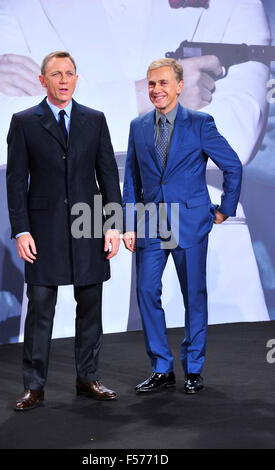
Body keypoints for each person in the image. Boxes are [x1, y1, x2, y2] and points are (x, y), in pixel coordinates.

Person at [0, 0, 269, 343]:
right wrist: (148, 98)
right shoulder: (20, 5)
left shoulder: (231, 3)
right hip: (74, 258)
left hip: (204, 263)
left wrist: (57, 100)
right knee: (71, 388)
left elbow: (236, 131)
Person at [6, 51, 122, 410]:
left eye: (69, 73)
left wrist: (113, 224)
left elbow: (108, 176)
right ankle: (34, 386)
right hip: (43, 230)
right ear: (43, 80)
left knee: (90, 307)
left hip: (88, 225)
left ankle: (88, 378)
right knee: (41, 310)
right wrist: (21, 230)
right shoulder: (24, 121)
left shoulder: (94, 120)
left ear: (76, 78)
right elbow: (15, 182)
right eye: (56, 74)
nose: (63, 80)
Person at [123, 58, 242, 394]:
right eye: (151, 84)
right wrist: (129, 223)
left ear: (178, 86)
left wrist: (224, 210)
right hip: (150, 224)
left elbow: (232, 166)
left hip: (190, 222)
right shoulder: (138, 126)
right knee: (146, 292)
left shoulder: (200, 123)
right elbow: (131, 179)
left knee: (194, 296)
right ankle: (162, 368)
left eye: (162, 83)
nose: (156, 90)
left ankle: (193, 367)